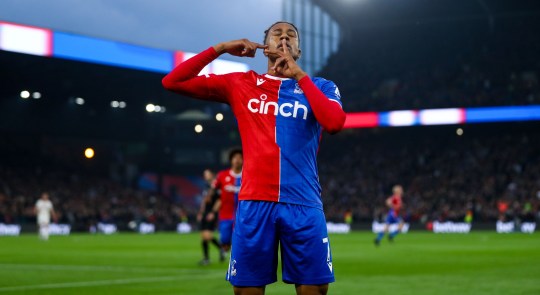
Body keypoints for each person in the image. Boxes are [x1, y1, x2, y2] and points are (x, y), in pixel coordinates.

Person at [163, 21, 345, 295]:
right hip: (255, 202)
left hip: (303, 203)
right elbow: (173, 81)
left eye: (291, 35)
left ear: (298, 50)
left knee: (313, 291)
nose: (284, 38)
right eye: (277, 34)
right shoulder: (242, 83)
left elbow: (334, 122)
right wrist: (221, 48)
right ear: (265, 48)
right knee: (246, 291)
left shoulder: (321, 87)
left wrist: (299, 76)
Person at [207, 149, 243, 252]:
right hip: (226, 216)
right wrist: (210, 195)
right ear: (231, 160)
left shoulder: (247, 175)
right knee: (225, 243)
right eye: (235, 157)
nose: (237, 160)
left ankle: (238, 263)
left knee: (240, 243)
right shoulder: (222, 175)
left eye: (240, 157)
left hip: (242, 216)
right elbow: (213, 188)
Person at [197, 169, 225, 265]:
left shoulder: (217, 186)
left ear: (212, 175)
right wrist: (201, 212)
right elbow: (204, 201)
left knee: (207, 236)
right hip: (205, 212)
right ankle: (207, 257)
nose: (205, 176)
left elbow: (219, 201)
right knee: (203, 236)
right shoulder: (206, 187)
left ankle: (220, 250)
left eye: (207, 174)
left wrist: (213, 212)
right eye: (204, 174)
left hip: (212, 212)